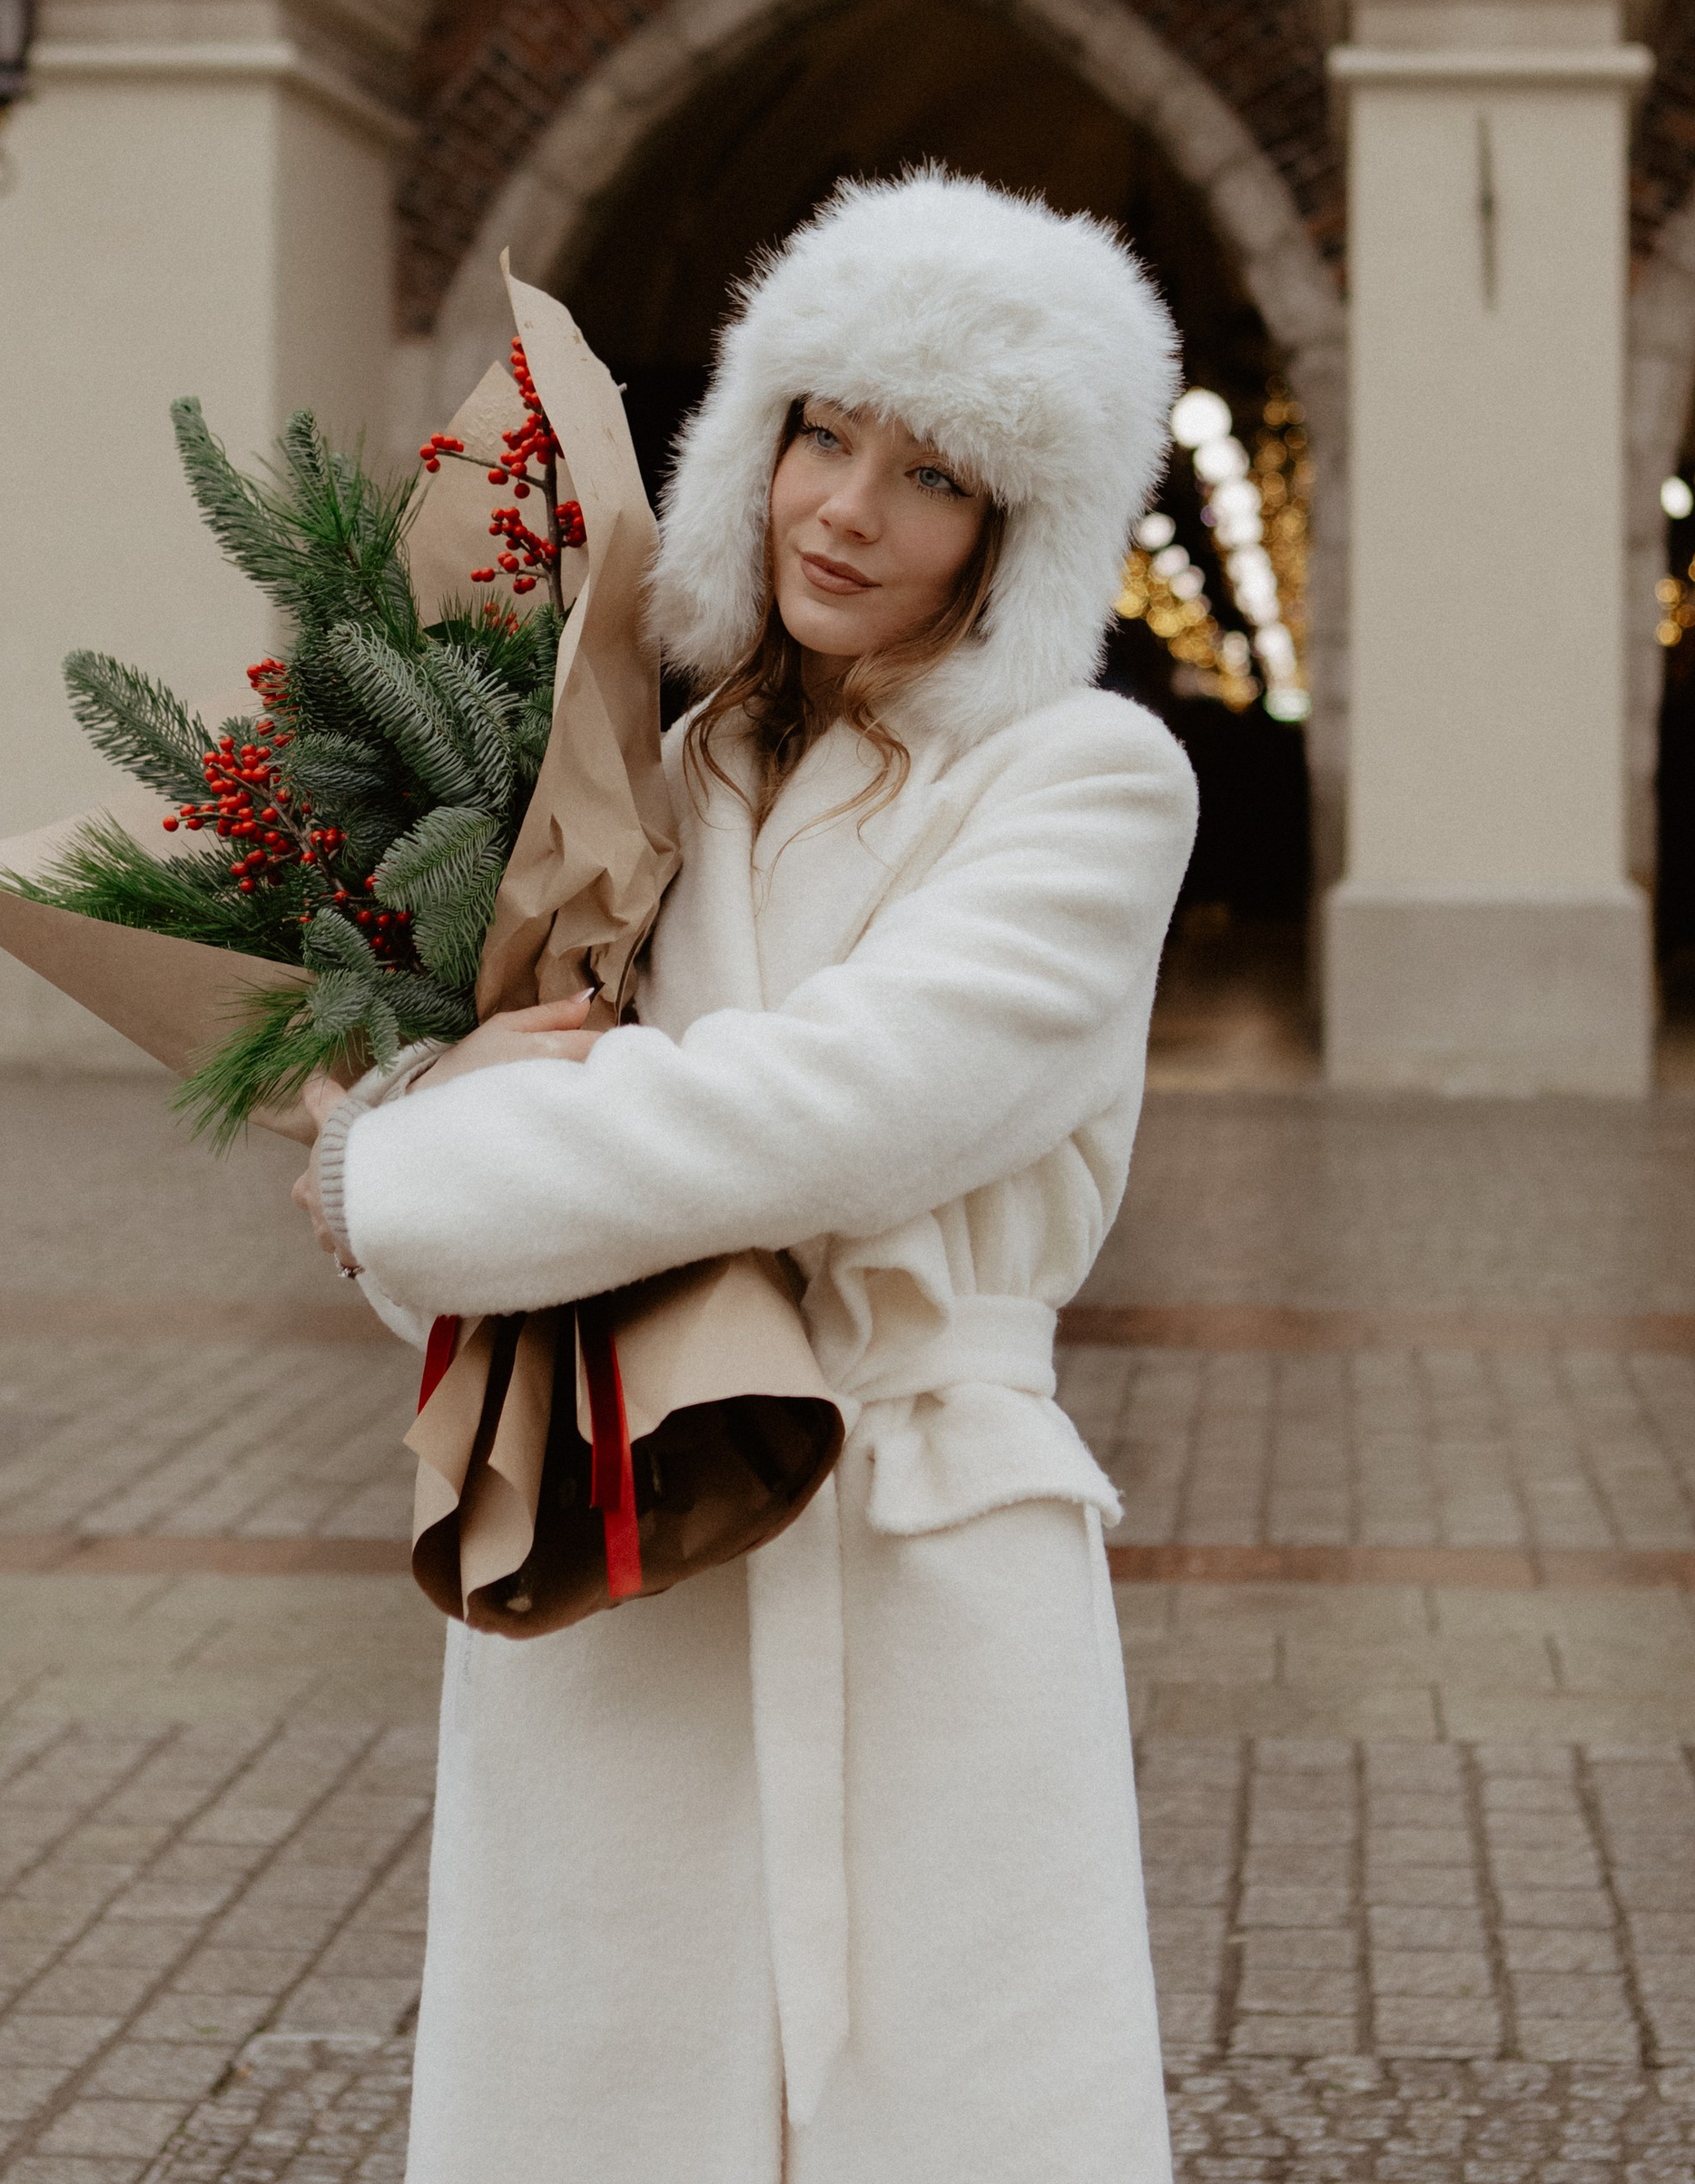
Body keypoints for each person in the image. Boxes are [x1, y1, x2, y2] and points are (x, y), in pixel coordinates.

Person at [292, 171, 1199, 2184]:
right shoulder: (646, 771)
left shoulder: (1081, 783)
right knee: (604, 2109)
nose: (843, 511)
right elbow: (490, 1172)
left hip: (927, 1535)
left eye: (931, 473)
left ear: (1019, 524)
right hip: (631, 1514)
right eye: (817, 431)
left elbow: (832, 1110)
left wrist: (412, 1163)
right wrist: (420, 1114)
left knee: (951, 2108)